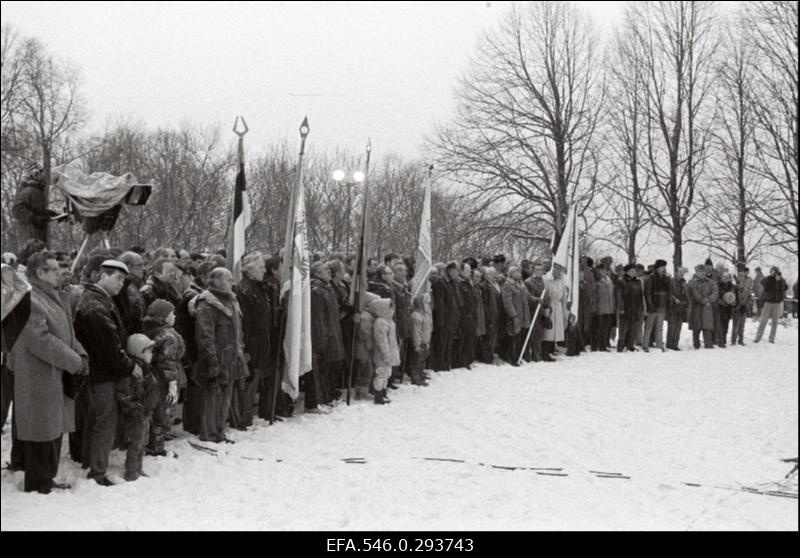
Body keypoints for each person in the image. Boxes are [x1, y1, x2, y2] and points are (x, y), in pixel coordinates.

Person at [7, 250, 88, 493]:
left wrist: (80, 353)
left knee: (51, 430)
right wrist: (74, 361)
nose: (60, 272)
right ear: (39, 272)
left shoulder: (52, 296)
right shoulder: (28, 300)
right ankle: (39, 485)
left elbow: (67, 333)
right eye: (53, 269)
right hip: (38, 377)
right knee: (42, 432)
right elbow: (40, 340)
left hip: (53, 374)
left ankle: (45, 480)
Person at [74, 259, 140, 486]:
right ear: (102, 276)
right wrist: (130, 366)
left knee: (96, 420)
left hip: (99, 372)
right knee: (105, 422)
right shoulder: (96, 305)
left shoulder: (99, 300)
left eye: (123, 279)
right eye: (118, 278)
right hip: (102, 374)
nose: (122, 284)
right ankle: (97, 472)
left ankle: (89, 462)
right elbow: (109, 347)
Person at [194, 268, 248, 442]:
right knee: (213, 398)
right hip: (216, 359)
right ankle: (209, 433)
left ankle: (219, 430)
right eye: (228, 279)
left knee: (226, 398)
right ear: (216, 281)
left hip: (232, 357)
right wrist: (213, 361)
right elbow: (205, 336)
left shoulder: (232, 301)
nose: (233, 282)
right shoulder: (207, 304)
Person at [234, 253, 272, 427]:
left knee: (256, 377)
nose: (265, 270)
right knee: (248, 380)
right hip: (251, 342)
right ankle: (243, 417)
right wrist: (246, 347)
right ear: (249, 269)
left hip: (261, 339)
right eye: (261, 267)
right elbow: (245, 321)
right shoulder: (244, 290)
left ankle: (246, 415)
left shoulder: (258, 288)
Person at [142, 299, 184, 453]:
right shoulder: (169, 336)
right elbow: (168, 361)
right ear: (165, 316)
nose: (175, 317)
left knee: (151, 412)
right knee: (163, 413)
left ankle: (148, 443)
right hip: (163, 380)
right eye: (172, 314)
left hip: (150, 376)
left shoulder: (148, 330)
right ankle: (157, 447)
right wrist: (173, 383)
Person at [116, 334, 159, 481]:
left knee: (143, 442)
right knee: (135, 443)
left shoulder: (146, 369)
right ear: (138, 352)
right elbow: (124, 394)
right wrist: (135, 408)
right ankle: (132, 471)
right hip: (136, 415)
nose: (151, 354)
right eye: (148, 351)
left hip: (145, 413)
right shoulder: (133, 373)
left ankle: (139, 468)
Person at [309, 262, 345, 409]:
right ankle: (319, 400)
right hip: (324, 335)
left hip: (333, 331)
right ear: (317, 273)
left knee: (332, 367)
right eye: (324, 270)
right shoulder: (317, 291)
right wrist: (322, 338)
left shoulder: (328, 289)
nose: (329, 271)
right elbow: (317, 318)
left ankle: (328, 396)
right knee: (322, 370)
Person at [12, 162, 56, 245]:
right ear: (34, 174)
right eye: (41, 172)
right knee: (34, 257)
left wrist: (50, 213)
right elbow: (17, 209)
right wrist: (34, 218)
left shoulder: (37, 191)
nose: (43, 175)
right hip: (30, 239)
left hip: (39, 237)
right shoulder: (28, 191)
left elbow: (37, 210)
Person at [370, 297, 400, 405]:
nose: (393, 311)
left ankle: (383, 393)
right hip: (382, 354)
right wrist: (386, 354)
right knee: (381, 374)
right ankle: (378, 395)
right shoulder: (380, 323)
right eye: (390, 308)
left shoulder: (390, 322)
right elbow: (382, 341)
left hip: (390, 353)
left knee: (387, 374)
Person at [430, 262, 460, 371]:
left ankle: (446, 363)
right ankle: (439, 364)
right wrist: (441, 320)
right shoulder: (440, 282)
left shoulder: (452, 283)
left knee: (448, 342)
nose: (457, 274)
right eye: (456, 271)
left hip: (451, 317)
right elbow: (440, 303)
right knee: (441, 342)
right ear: (450, 270)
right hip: (443, 318)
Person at [501, 265, 532, 365]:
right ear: (511, 273)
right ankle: (512, 358)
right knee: (514, 338)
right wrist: (514, 316)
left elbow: (528, 295)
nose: (519, 274)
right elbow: (507, 302)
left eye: (519, 272)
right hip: (515, 316)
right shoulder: (507, 285)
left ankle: (521, 355)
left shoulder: (521, 284)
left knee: (521, 336)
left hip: (524, 315)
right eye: (517, 272)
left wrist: (536, 299)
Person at [642, 259, 671, 353]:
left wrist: (667, 303)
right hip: (653, 306)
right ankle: (645, 345)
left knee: (660, 327)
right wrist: (650, 305)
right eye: (662, 267)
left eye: (664, 267)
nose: (664, 269)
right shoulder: (651, 278)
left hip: (662, 306)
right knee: (649, 327)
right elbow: (648, 292)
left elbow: (667, 292)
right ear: (657, 268)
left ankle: (659, 345)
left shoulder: (666, 278)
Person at [754, 266, 788, 344]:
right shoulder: (768, 279)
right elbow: (763, 283)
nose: (775, 273)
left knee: (775, 321)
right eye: (773, 271)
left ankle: (771, 338)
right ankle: (758, 337)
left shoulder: (781, 280)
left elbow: (785, 287)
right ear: (770, 272)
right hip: (768, 302)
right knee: (763, 320)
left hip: (777, 303)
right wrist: (771, 277)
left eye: (776, 271)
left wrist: (779, 280)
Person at [116, 251, 147, 335]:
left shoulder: (134, 284)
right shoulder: (122, 288)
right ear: (128, 267)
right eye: (140, 265)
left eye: (144, 265)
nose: (144, 268)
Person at [687, 264, 718, 350]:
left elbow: (715, 292)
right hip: (696, 308)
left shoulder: (711, 282)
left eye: (703, 271)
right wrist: (703, 300)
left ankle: (708, 344)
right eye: (699, 271)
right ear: (696, 272)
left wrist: (709, 300)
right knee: (696, 328)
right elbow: (694, 293)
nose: (702, 273)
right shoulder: (692, 282)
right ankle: (696, 345)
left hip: (707, 308)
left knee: (707, 327)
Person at [616, 264, 645, 353]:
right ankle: (620, 346)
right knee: (623, 328)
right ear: (627, 271)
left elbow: (640, 295)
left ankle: (630, 345)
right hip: (625, 307)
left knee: (633, 327)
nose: (634, 273)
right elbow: (619, 295)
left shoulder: (638, 281)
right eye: (632, 271)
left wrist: (641, 307)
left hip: (635, 307)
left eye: (634, 271)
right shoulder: (621, 281)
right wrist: (621, 307)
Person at [543, 264, 568, 357]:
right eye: (555, 270)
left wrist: (564, 311)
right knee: (549, 329)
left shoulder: (561, 282)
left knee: (557, 329)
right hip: (550, 305)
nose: (557, 272)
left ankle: (553, 346)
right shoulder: (547, 281)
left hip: (558, 306)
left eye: (559, 271)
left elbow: (564, 298)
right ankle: (546, 349)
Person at [480, 267, 502, 364]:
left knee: (494, 336)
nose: (494, 276)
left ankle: (492, 354)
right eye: (491, 274)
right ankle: (487, 358)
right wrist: (487, 317)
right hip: (490, 315)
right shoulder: (484, 286)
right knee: (488, 337)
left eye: (495, 274)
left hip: (497, 314)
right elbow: (484, 304)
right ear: (486, 275)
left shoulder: (497, 284)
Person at [409, 293, 432, 386]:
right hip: (419, 342)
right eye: (425, 303)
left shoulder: (425, 314)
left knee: (422, 360)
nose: (427, 305)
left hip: (425, 341)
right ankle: (416, 378)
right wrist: (417, 344)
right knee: (416, 361)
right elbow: (416, 332)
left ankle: (421, 374)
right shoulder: (416, 315)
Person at [592, 263, 615, 352]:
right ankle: (596, 345)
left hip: (608, 308)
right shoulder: (596, 281)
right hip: (599, 308)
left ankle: (603, 345)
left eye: (605, 270)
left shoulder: (609, 280)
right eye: (602, 270)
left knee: (605, 328)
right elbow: (594, 295)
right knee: (598, 328)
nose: (604, 271)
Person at [666, 267, 689, 350]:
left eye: (683, 272)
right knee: (672, 326)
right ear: (676, 272)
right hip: (673, 307)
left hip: (682, 307)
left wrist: (686, 303)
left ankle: (675, 344)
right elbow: (668, 292)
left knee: (678, 327)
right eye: (680, 272)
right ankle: (669, 344)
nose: (682, 274)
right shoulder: (671, 281)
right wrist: (674, 299)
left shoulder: (684, 283)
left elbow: (687, 294)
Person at [731, 266, 753, 346]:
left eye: (747, 272)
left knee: (742, 324)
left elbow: (749, 291)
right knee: (736, 324)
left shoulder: (750, 280)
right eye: (744, 271)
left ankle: (740, 340)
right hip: (737, 304)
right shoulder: (737, 278)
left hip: (744, 303)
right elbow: (734, 290)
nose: (745, 273)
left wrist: (748, 302)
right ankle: (733, 340)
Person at [716, 272, 738, 348]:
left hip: (729, 308)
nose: (725, 278)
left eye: (727, 277)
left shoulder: (733, 287)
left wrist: (734, 302)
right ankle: (720, 341)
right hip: (719, 308)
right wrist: (721, 302)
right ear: (721, 277)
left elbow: (736, 297)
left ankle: (723, 340)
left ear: (729, 278)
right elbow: (715, 297)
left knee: (726, 325)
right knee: (720, 325)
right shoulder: (717, 285)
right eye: (724, 277)